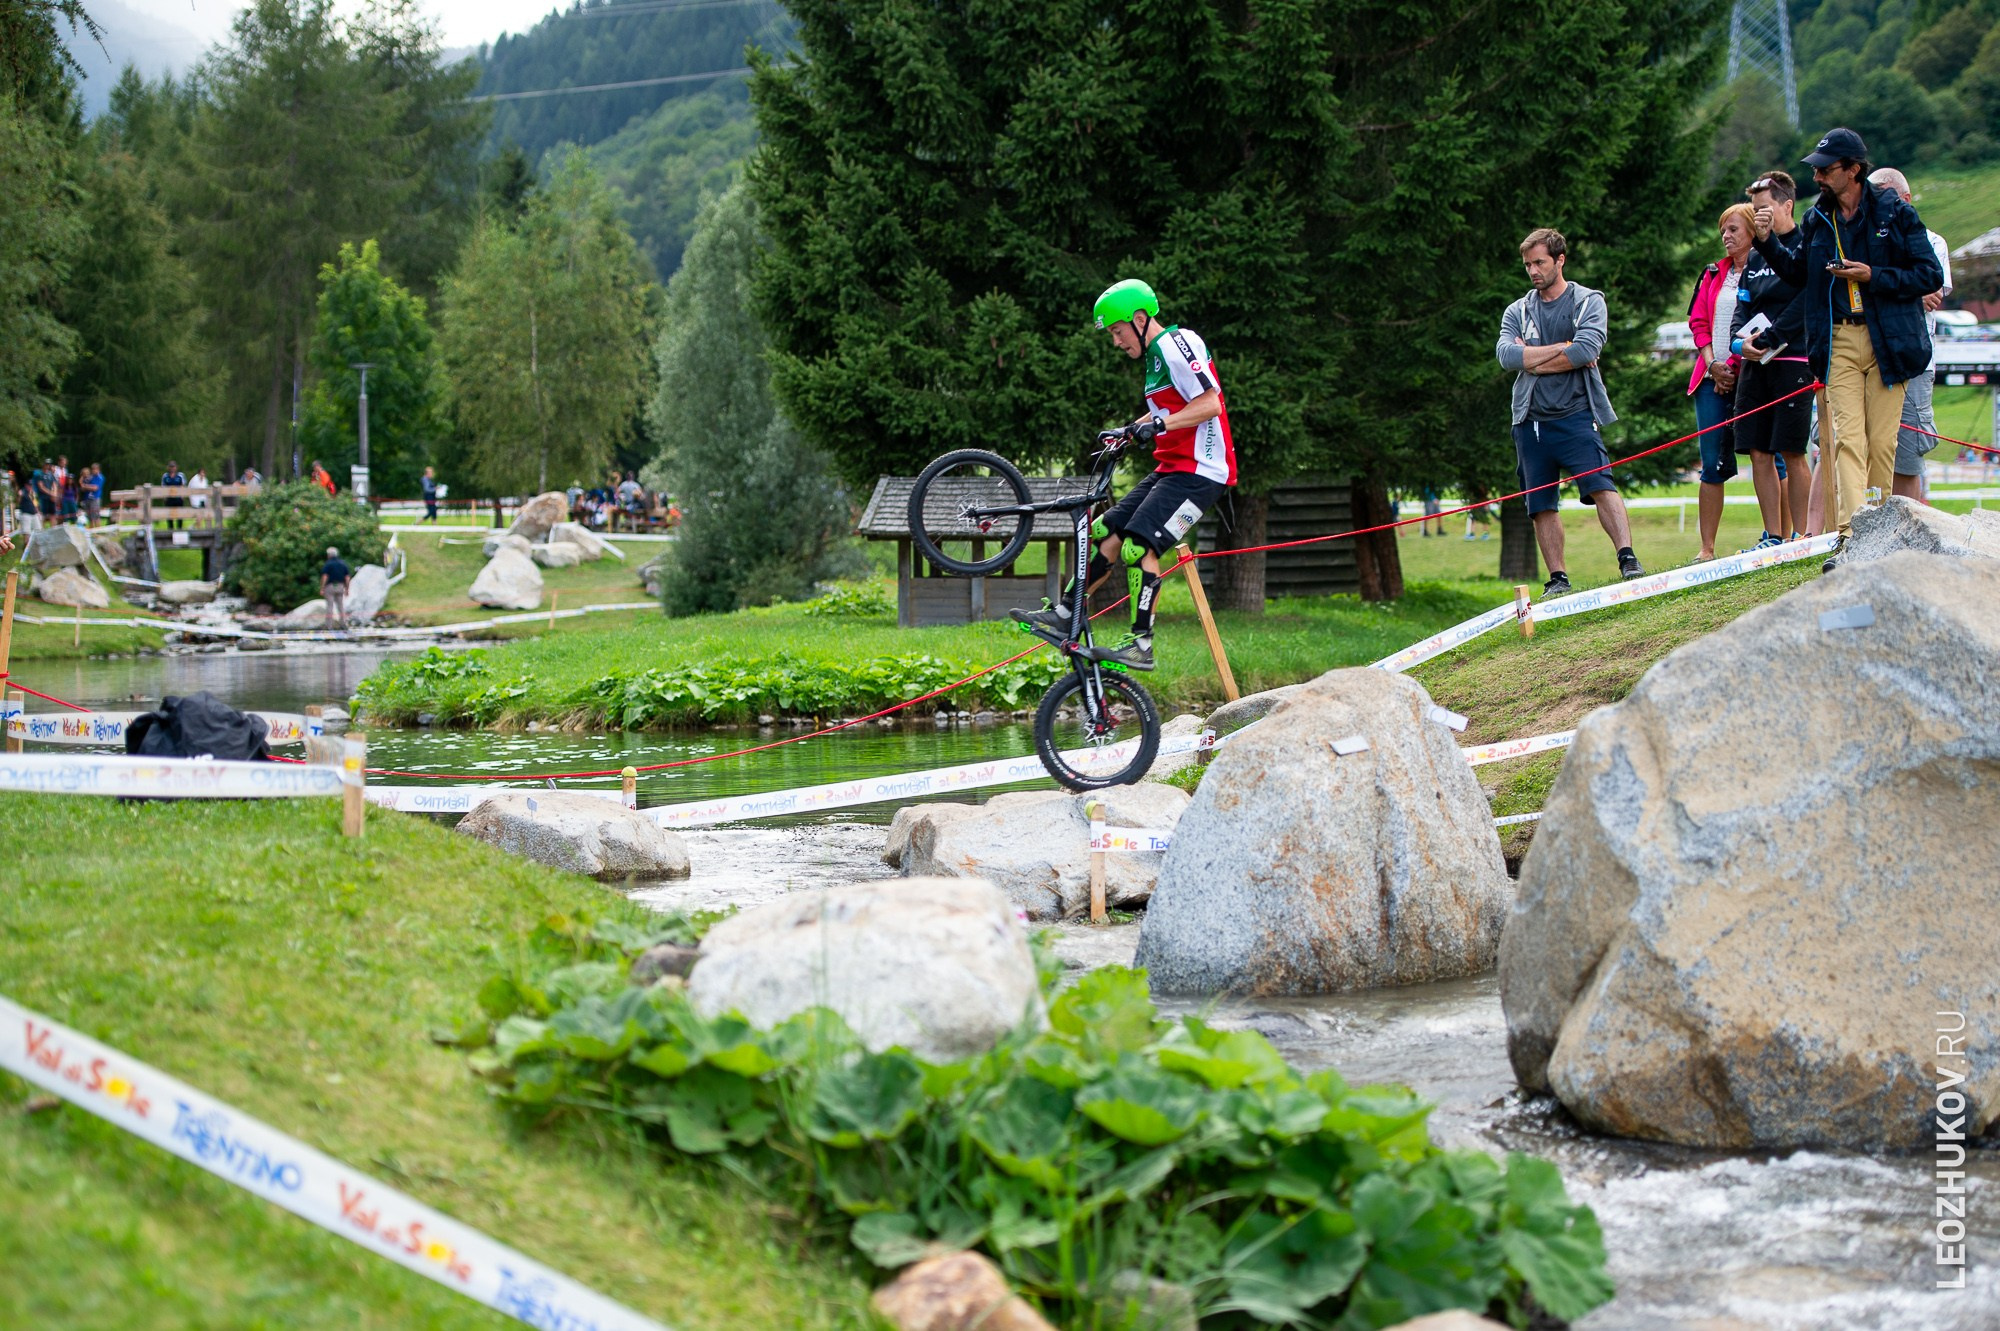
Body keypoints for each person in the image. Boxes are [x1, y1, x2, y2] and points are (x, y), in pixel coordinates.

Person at [1011, 278, 1236, 670]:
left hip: (1203, 472)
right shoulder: (1153, 358)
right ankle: (1066, 615)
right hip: (1173, 467)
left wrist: (1159, 427)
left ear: (1139, 318)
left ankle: (1141, 644)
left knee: (1137, 546)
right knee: (1105, 531)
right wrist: (1130, 429)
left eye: (1117, 331)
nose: (1116, 341)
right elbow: (1169, 408)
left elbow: (1210, 403)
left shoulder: (1175, 343)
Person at [1750, 128, 1941, 556]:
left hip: (1887, 341)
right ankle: (1853, 536)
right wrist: (1766, 242)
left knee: (1881, 442)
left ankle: (1877, 528)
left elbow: (1928, 275)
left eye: (1825, 168)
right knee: (1846, 439)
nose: (1816, 176)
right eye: (1815, 169)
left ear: (1853, 170)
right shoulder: (1817, 219)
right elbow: (1799, 274)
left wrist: (1872, 275)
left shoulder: (1895, 213)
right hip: (1837, 340)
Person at [1495, 228, 1645, 598]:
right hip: (1529, 420)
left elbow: (1586, 350)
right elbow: (1506, 356)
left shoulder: (1587, 301)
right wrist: (1559, 349)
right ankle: (1558, 578)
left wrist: (1533, 358)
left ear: (1560, 260)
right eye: (1528, 264)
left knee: (1600, 485)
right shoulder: (1518, 309)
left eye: (1540, 262)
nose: (1533, 271)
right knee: (1540, 503)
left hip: (1577, 412)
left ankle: (1628, 559)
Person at [1735, 171, 1815, 547]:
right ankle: (1774, 535)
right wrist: (1740, 345)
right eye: (1754, 211)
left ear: (1787, 205)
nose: (1758, 218)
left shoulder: (1805, 246)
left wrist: (1770, 339)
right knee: (1757, 449)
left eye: (1764, 209)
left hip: (1793, 360)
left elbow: (1805, 302)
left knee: (1792, 449)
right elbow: (1743, 305)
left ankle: (1803, 532)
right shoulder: (1753, 255)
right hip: (1756, 364)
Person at [1868, 168, 1954, 503]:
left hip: (1915, 359)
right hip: (1870, 354)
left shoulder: (1932, 241)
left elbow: (1931, 296)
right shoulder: (1862, 240)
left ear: (1906, 199)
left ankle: (1911, 544)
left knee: (1908, 454)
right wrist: (1907, 289)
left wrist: (1881, 284)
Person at [1685, 203, 1756, 560]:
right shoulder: (1713, 273)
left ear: (1753, 233)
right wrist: (1713, 363)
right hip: (1711, 377)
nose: (1726, 237)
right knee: (1711, 462)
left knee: (1767, 455)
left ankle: (1781, 533)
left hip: (1754, 375)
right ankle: (1707, 548)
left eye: (1734, 230)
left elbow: (1764, 321)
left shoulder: (1765, 270)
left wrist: (1734, 363)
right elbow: (1698, 323)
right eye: (1723, 231)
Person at [321, 546, 351, 630]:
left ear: (329, 555)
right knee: (340, 606)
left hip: (330, 586)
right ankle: (343, 624)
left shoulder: (328, 564)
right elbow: (347, 577)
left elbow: (325, 576)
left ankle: (328, 626)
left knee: (329, 606)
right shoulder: (343, 563)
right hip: (340, 586)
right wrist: (347, 589)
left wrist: (322, 588)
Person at [159, 460, 186, 530]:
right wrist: (164, 497)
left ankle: (179, 528)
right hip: (169, 499)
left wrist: (182, 496)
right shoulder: (165, 476)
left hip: (178, 498)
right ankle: (170, 529)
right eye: (170, 467)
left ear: (176, 467)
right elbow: (163, 487)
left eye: (173, 467)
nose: (172, 468)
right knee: (169, 514)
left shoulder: (180, 475)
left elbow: (183, 486)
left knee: (180, 514)